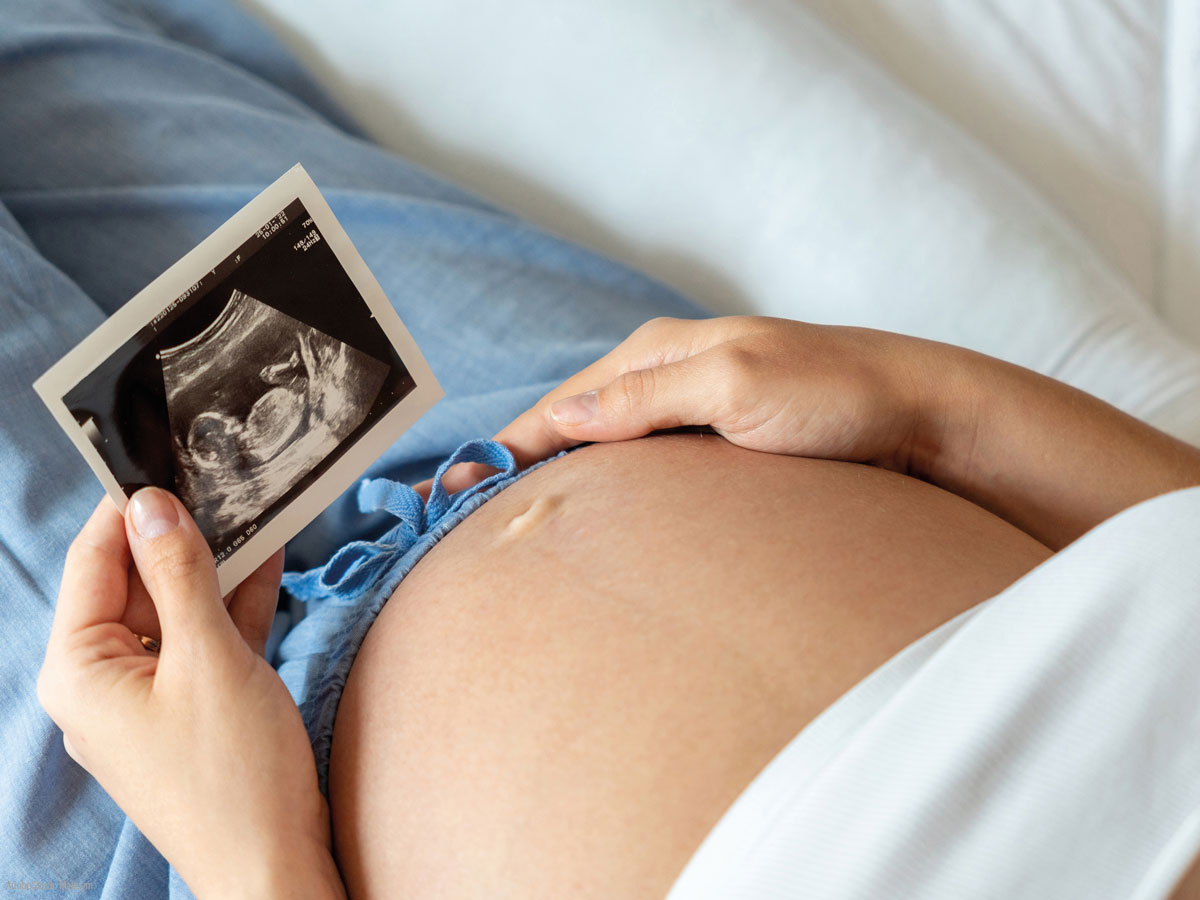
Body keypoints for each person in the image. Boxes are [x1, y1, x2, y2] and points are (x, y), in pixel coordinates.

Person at [6, 2, 1200, 899]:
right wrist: (925, 404)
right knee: (50, 49)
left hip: (202, 788)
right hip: (611, 421)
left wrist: (246, 854)